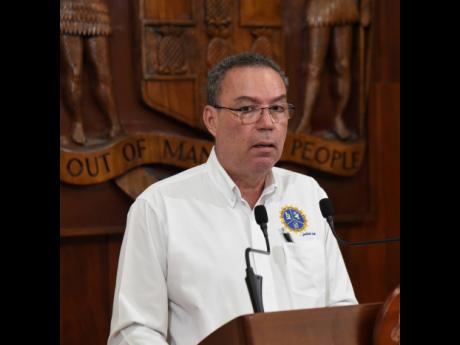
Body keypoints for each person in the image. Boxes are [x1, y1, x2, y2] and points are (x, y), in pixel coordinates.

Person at [108, 53, 357, 345]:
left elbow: (341, 308)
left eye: (277, 108)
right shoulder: (159, 207)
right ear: (211, 120)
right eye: (248, 109)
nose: (267, 123)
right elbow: (135, 331)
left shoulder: (308, 194)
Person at [296, 0, 371, 140]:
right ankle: (306, 121)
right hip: (320, 6)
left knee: (343, 65)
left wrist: (365, 7)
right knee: (314, 68)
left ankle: (339, 118)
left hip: (344, 5)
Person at [60, 0, 122, 145]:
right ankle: (77, 124)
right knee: (73, 73)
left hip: (96, 12)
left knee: (102, 74)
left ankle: (115, 124)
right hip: (68, 12)